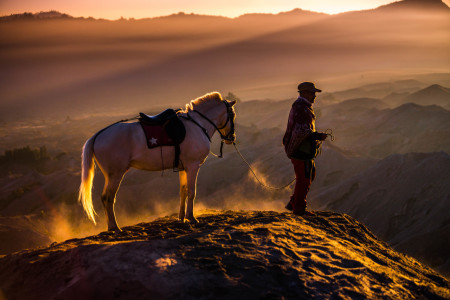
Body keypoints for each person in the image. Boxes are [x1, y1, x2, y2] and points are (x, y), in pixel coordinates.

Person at [283, 82, 327, 216]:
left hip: (300, 149)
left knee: (309, 175)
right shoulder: (302, 109)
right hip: (301, 151)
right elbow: (302, 131)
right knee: (304, 178)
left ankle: (294, 202)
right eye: (312, 93)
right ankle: (299, 209)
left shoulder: (301, 107)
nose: (314, 96)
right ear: (305, 93)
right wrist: (318, 135)